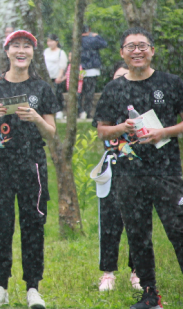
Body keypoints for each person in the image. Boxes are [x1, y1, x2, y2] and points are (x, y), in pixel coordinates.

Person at [94, 27, 183, 309]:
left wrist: (164, 132)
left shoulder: (171, 83)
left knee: (178, 229)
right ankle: (149, 295)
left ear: (152, 51)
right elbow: (102, 130)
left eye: (142, 45)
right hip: (128, 173)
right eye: (130, 46)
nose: (137, 51)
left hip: (167, 171)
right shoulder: (114, 89)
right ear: (122, 53)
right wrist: (122, 127)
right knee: (138, 235)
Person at [0, 30, 56, 309]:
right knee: (0, 226)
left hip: (32, 166)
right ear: (7, 51)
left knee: (33, 226)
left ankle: (33, 287)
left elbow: (51, 132)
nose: (21, 51)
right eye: (16, 46)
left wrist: (36, 118)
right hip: (0, 166)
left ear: (33, 53)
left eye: (26, 46)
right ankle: (0, 286)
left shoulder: (42, 88)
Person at [95, 60, 141, 292]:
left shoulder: (142, 102)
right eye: (118, 78)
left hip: (140, 169)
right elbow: (101, 131)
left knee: (139, 222)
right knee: (110, 222)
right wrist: (122, 127)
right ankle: (108, 273)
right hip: (113, 168)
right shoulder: (107, 102)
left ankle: (138, 271)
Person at [80, 26, 108, 119]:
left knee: (80, 92)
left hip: (80, 69)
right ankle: (87, 112)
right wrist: (97, 36)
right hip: (92, 70)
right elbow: (104, 44)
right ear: (89, 30)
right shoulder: (93, 40)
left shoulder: (78, 41)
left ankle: (80, 111)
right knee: (89, 92)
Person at [43, 34, 68, 119]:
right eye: (48, 41)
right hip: (47, 77)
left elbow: (62, 66)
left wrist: (59, 76)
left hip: (56, 78)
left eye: (51, 41)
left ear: (56, 42)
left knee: (57, 94)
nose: (49, 43)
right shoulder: (46, 51)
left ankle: (59, 111)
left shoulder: (60, 52)